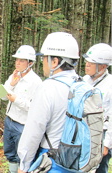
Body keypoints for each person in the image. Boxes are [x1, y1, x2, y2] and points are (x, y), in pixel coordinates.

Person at [17, 32, 80, 173]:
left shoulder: (47, 88)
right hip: (77, 159)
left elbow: (34, 130)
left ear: (55, 61)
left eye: (45, 58)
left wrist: (24, 165)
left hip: (52, 159)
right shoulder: (82, 85)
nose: (43, 63)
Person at [2, 45, 42, 173]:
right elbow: (3, 96)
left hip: (23, 125)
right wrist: (11, 84)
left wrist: (16, 100)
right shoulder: (14, 76)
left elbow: (35, 108)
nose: (17, 63)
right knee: (10, 153)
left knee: (23, 156)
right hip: (10, 120)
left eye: (22, 60)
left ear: (30, 63)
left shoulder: (36, 82)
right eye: (17, 60)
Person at [83, 43, 112, 173]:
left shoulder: (110, 85)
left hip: (101, 133)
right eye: (87, 61)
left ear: (103, 66)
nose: (87, 65)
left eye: (91, 63)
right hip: (84, 131)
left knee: (99, 169)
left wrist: (107, 144)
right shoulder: (84, 81)